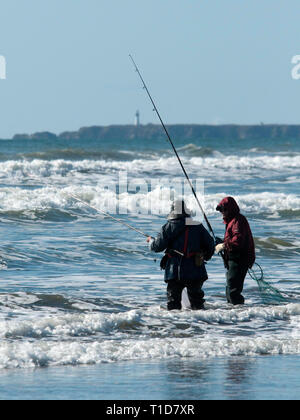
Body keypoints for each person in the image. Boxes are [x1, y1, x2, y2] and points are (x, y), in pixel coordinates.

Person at [147, 200, 215, 310]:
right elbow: (211, 244)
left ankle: (175, 325)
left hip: (174, 272)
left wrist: (150, 241)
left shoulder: (168, 227)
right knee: (197, 304)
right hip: (196, 270)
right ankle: (201, 324)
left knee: (173, 304)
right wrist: (205, 257)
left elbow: (157, 247)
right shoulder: (197, 225)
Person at [215, 197, 256, 305]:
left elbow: (238, 241)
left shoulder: (238, 221)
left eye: (224, 210)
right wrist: (221, 242)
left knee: (233, 291)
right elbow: (233, 240)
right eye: (221, 210)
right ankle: (233, 314)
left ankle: (239, 316)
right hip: (234, 259)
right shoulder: (231, 221)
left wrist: (224, 245)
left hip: (240, 259)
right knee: (230, 289)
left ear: (230, 209)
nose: (222, 213)